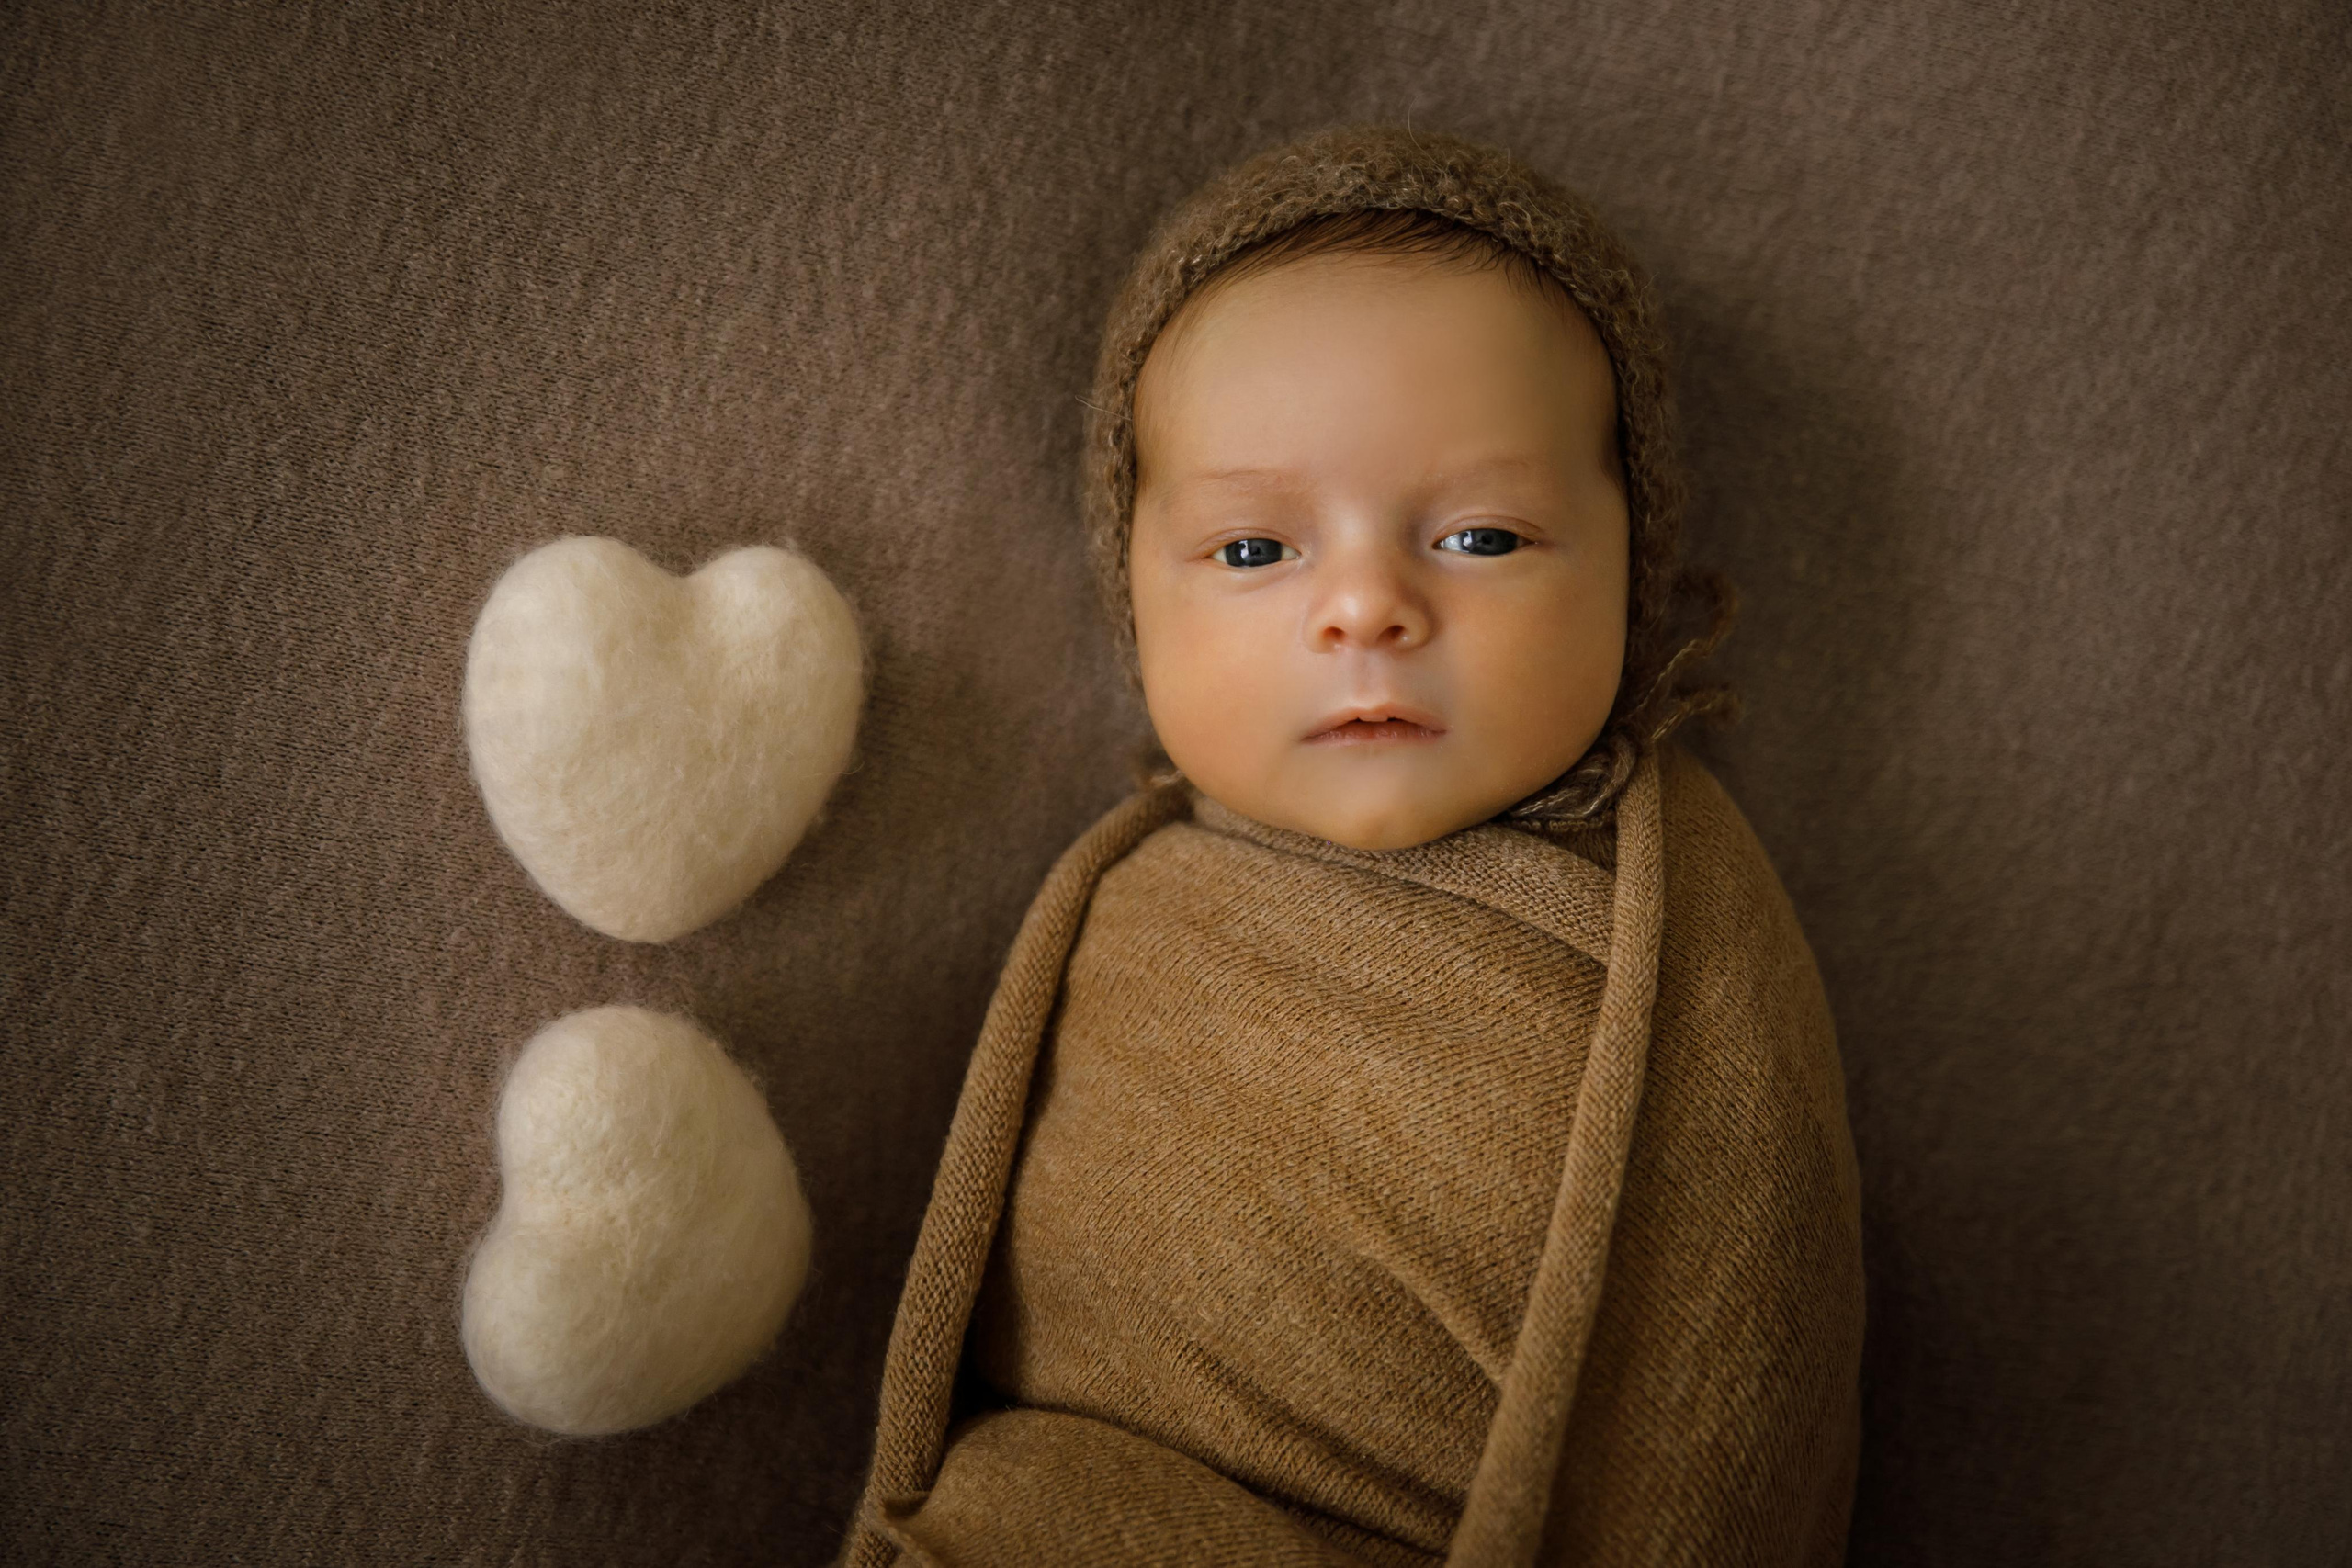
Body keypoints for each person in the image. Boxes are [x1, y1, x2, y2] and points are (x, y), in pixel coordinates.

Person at [840, 125, 1863, 1568]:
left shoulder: (1689, 951)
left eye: (1483, 538)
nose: (1366, 609)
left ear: (1632, 576)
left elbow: (1743, 1338)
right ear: (1137, 606)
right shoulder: (1118, 904)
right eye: (1258, 551)